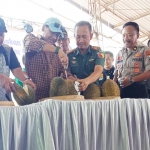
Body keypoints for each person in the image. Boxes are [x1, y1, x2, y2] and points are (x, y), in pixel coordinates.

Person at [23, 17, 68, 101]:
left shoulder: (57, 54)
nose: (54, 37)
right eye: (52, 32)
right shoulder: (30, 38)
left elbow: (65, 76)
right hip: (34, 101)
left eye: (57, 35)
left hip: (53, 102)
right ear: (43, 27)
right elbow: (32, 44)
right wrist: (58, 50)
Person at [0, 18, 36, 101]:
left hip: (4, 102)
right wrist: (2, 78)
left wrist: (26, 79)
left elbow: (17, 70)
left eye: (2, 34)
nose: (0, 38)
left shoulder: (8, 50)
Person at [113, 22, 150, 98]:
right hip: (122, 91)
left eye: (129, 35)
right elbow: (116, 72)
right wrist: (112, 84)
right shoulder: (120, 53)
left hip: (139, 90)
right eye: (124, 35)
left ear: (137, 35)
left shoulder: (145, 50)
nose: (126, 38)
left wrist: (131, 80)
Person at [67, 21, 105, 92]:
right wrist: (77, 81)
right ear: (74, 36)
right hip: (75, 91)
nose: (81, 40)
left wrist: (86, 82)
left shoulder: (98, 52)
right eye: (78, 37)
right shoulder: (69, 55)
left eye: (84, 36)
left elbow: (98, 71)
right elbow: (67, 74)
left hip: (94, 91)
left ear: (91, 36)